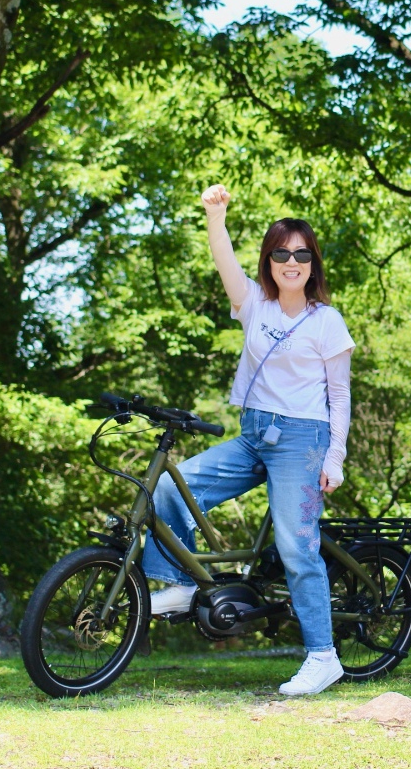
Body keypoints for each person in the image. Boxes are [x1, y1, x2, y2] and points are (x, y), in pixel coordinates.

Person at [140, 184, 355, 696]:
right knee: (172, 488)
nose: (292, 261)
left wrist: (336, 457)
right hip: (254, 434)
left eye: (302, 253)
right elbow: (224, 264)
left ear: (313, 263)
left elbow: (340, 395)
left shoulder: (326, 321)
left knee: (295, 546)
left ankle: (323, 657)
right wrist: (217, 217)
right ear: (270, 260)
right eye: (282, 252)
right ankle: (183, 582)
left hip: (304, 439)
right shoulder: (255, 306)